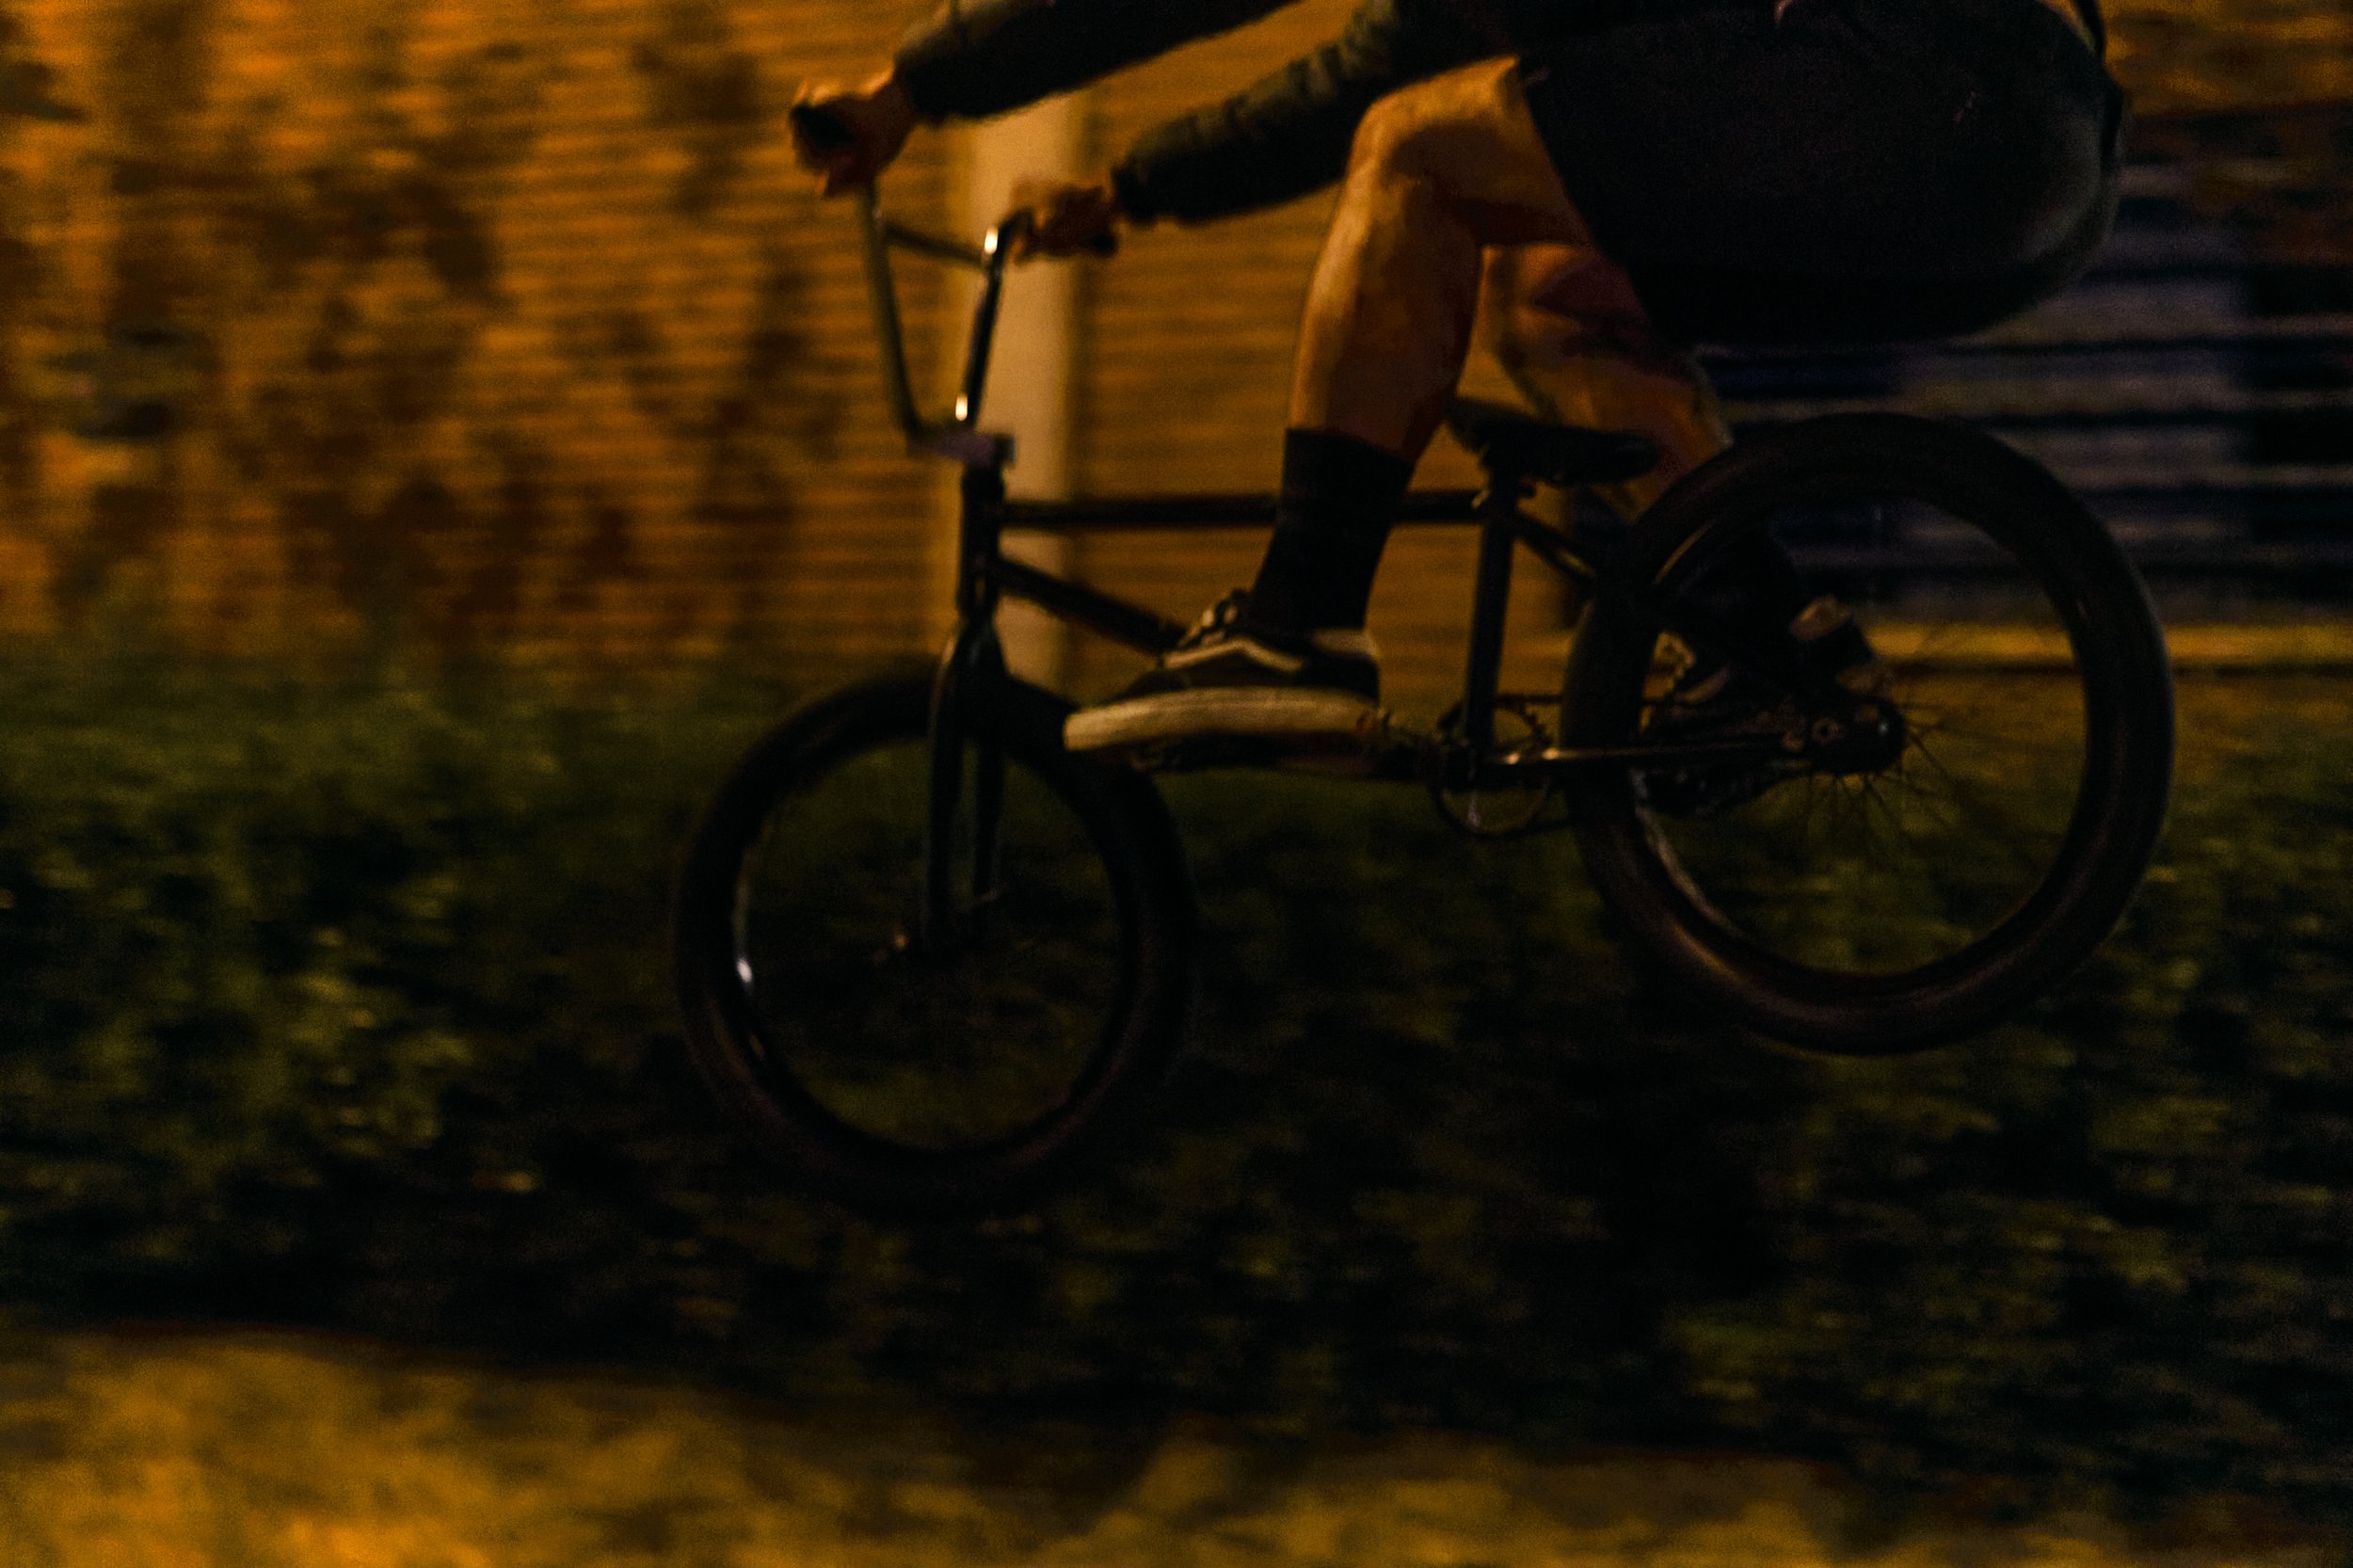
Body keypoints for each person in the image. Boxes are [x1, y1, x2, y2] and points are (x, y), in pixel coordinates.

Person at [792, 0, 2125, 754]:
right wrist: (1131, 184)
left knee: (1414, 144)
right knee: (1550, 299)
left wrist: (921, 87)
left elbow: (1379, 58)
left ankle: (1301, 614)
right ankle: (1765, 639)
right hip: (2033, 177)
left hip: (1923, 81)